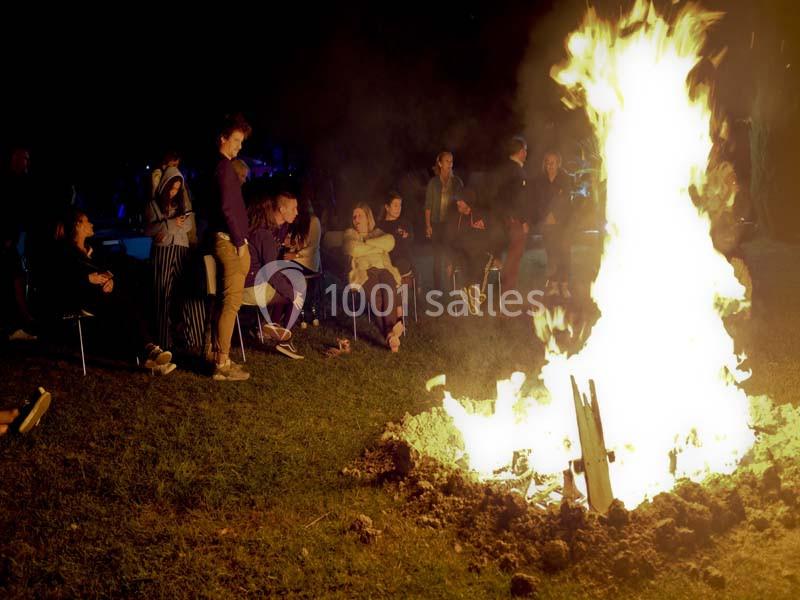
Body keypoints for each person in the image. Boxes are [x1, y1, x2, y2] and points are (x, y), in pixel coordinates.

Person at [57, 209, 177, 375]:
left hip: (104, 297)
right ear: (78, 226)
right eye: (87, 221)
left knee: (129, 300)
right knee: (125, 304)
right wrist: (86, 278)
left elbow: (110, 269)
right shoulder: (66, 252)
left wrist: (111, 281)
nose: (91, 224)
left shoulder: (93, 250)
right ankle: (150, 351)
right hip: (82, 298)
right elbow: (62, 281)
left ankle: (151, 356)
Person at [205, 114, 253, 381]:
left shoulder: (223, 167)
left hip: (228, 239)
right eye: (236, 140)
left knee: (228, 302)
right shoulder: (224, 168)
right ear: (222, 139)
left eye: (241, 141)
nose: (239, 146)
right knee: (230, 303)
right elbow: (227, 208)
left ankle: (221, 356)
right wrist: (239, 242)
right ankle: (222, 363)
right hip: (228, 241)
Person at [145, 166, 205, 349]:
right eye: (172, 188)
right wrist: (170, 225)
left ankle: (195, 338)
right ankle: (164, 341)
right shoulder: (153, 205)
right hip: (162, 253)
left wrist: (166, 227)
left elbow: (187, 225)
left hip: (181, 251)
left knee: (190, 294)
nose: (174, 192)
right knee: (162, 296)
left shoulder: (182, 206)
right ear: (164, 186)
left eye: (178, 188)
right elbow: (149, 229)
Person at [244, 192, 305, 359]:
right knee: (296, 290)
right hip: (252, 288)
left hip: (249, 283)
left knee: (291, 283)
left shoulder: (272, 229)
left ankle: (271, 326)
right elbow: (270, 272)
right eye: (293, 208)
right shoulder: (265, 234)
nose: (297, 212)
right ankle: (283, 339)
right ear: (282, 208)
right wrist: (294, 295)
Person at [343, 203, 404, 351]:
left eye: (360, 215)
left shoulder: (378, 232)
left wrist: (366, 242)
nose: (356, 219)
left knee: (388, 289)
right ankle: (391, 332)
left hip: (383, 268)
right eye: (354, 216)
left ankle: (389, 334)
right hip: (364, 271)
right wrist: (377, 247)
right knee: (376, 297)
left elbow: (390, 242)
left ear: (367, 218)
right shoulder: (350, 234)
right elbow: (353, 248)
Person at [492, 136, 531, 291]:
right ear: (521, 152)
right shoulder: (517, 172)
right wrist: (523, 221)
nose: (526, 154)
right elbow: (518, 200)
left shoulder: (503, 169)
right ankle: (508, 295)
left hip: (503, 219)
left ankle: (506, 291)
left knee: (509, 256)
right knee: (514, 257)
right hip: (514, 221)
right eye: (525, 151)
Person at [536, 151, 574, 298]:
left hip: (563, 223)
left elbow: (566, 201)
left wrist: (556, 216)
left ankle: (564, 286)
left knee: (564, 254)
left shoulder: (565, 179)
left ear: (559, 163)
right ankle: (553, 285)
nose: (550, 166)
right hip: (547, 224)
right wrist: (546, 216)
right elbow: (538, 200)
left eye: (553, 162)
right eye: (548, 163)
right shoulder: (541, 180)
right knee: (551, 254)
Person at [424, 151, 463, 290]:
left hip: (451, 225)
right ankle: (437, 289)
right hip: (436, 224)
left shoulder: (457, 182)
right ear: (440, 163)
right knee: (437, 258)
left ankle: (453, 286)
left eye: (451, 161)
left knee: (451, 256)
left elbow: (462, 203)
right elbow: (428, 206)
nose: (450, 164)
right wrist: (428, 225)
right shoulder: (433, 183)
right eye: (447, 161)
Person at [378, 191, 414, 276]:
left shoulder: (405, 224)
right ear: (387, 207)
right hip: (385, 262)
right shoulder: (380, 226)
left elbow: (409, 242)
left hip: (403, 262)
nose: (398, 208)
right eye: (395, 205)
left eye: (400, 205)